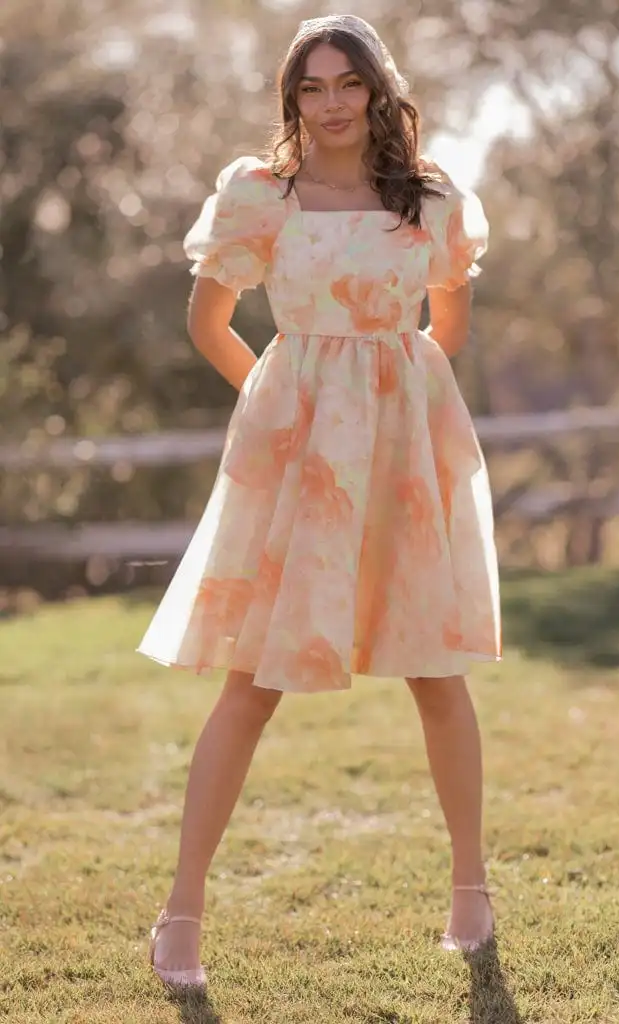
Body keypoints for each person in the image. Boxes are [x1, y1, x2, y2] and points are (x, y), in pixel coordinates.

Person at [139, 13, 501, 988]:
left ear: (377, 89)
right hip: (294, 458)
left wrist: (388, 407)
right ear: (291, 98)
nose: (331, 103)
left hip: (400, 455)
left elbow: (445, 329)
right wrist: (284, 407)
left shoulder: (429, 199)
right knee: (250, 684)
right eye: (311, 87)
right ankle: (181, 913)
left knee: (435, 670)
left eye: (348, 83)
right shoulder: (260, 196)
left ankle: (470, 891)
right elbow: (210, 323)